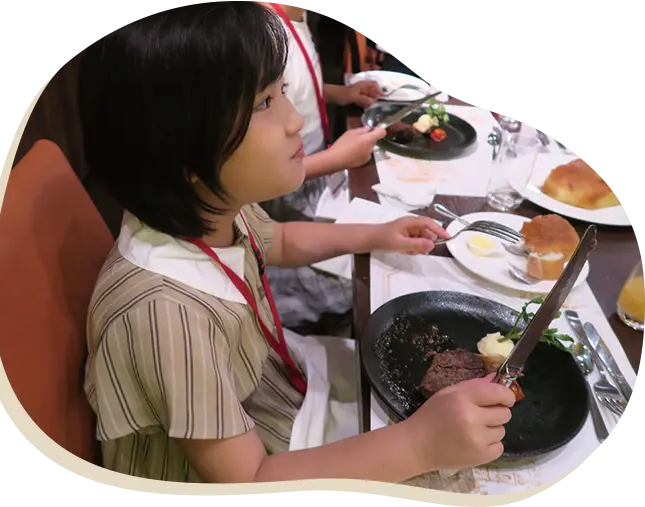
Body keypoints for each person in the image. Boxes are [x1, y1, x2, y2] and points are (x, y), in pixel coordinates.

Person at [79, 0, 515, 484]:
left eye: (281, 92)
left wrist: (374, 233)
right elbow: (248, 479)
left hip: (270, 386)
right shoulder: (165, 314)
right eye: (264, 104)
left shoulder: (210, 207)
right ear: (181, 151)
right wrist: (420, 445)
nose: (294, 121)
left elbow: (280, 238)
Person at [258, 2, 384, 332]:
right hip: (288, 186)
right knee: (362, 282)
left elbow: (296, 88)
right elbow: (263, 174)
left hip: (312, 163)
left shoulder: (296, 16)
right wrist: (335, 160)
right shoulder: (263, 34)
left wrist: (342, 94)